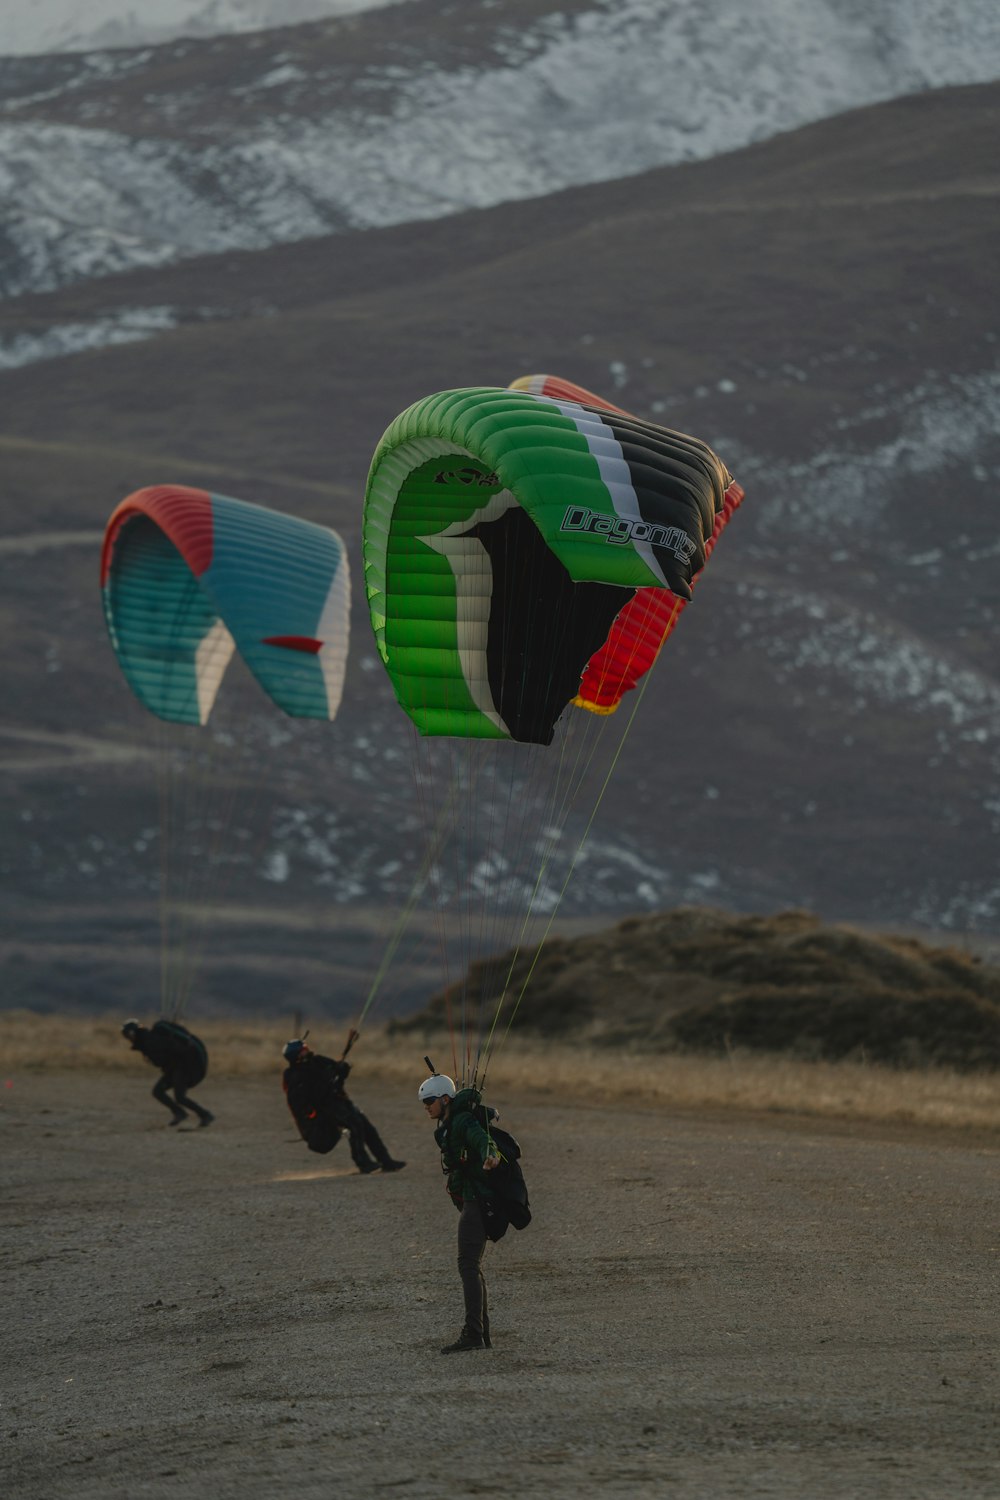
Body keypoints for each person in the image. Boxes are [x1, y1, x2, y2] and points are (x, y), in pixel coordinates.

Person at [419, 1072, 501, 1354]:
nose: (426, 1106)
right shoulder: (447, 1124)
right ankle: (481, 1332)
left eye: (429, 1101)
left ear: (444, 1099)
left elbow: (482, 1139)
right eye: (424, 1103)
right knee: (472, 1265)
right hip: (470, 1198)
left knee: (467, 1264)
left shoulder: (463, 1121)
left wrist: (490, 1154)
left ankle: (474, 1334)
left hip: (477, 1200)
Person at [282, 1036, 404, 1174]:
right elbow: (306, 1099)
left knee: (367, 1128)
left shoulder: (317, 1060)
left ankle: (387, 1162)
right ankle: (363, 1162)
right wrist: (327, 1080)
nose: (307, 1051)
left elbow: (336, 1071)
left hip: (340, 1101)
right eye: (303, 1050)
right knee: (355, 1125)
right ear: (296, 1056)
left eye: (306, 1048)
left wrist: (342, 1068)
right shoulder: (295, 1075)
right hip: (325, 1109)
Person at [121, 1018, 214, 1127]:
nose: (128, 1039)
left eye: (127, 1036)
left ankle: (205, 1115)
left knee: (179, 1097)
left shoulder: (150, 1041)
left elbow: (161, 1059)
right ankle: (180, 1112)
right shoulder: (148, 1040)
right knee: (158, 1091)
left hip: (182, 1067)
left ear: (131, 1034)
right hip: (175, 1069)